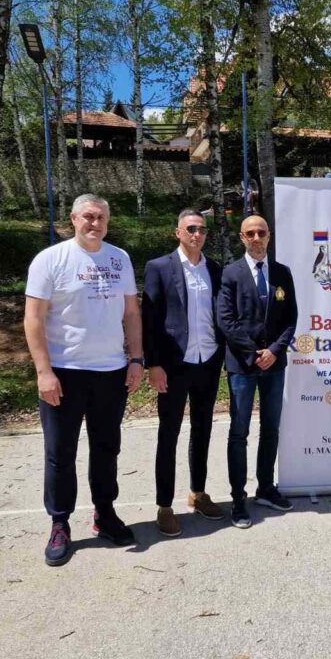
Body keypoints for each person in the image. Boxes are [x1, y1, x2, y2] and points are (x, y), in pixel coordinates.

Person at [24, 194, 143, 566]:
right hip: (65, 373)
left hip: (111, 372)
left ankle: (104, 514)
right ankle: (60, 523)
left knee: (107, 448)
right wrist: (44, 372)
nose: (95, 223)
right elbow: (33, 319)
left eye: (101, 217)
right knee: (60, 453)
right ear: (73, 219)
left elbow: (131, 313)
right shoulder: (50, 259)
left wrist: (136, 358)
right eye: (88, 217)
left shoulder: (119, 258)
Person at [142, 209, 226, 537]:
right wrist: (153, 364)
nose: (197, 234)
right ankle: (164, 506)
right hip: (173, 365)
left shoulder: (215, 269)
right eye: (191, 228)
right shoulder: (159, 267)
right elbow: (149, 320)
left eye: (202, 229)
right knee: (169, 434)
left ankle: (198, 493)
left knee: (202, 430)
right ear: (177, 232)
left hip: (208, 362)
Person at [216, 215, 298, 529]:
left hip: (274, 364)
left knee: (271, 428)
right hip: (242, 365)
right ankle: (238, 499)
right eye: (249, 233)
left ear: (268, 236)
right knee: (239, 432)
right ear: (242, 237)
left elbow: (291, 318)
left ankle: (265, 488)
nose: (256, 238)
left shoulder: (282, 272)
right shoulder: (230, 273)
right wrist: (254, 353)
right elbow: (226, 320)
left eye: (260, 232)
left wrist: (274, 351)